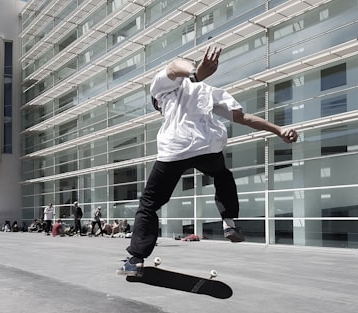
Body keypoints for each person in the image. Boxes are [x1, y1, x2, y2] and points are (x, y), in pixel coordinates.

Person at [120, 46, 298, 275]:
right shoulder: (209, 91)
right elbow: (244, 118)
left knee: (149, 204)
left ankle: (135, 260)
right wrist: (278, 129)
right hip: (207, 147)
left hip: (175, 148)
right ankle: (229, 221)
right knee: (222, 175)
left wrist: (195, 73)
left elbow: (175, 66)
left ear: (156, 102)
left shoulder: (160, 91)